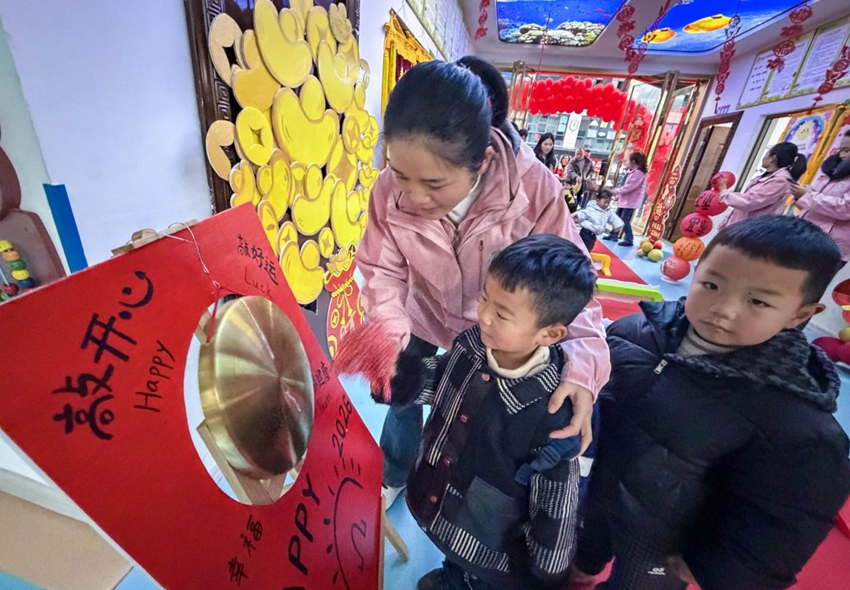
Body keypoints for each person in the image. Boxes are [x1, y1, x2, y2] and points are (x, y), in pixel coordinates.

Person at [356, 56, 610, 510]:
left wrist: (585, 369)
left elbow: (574, 284)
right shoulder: (386, 192)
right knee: (402, 393)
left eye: (434, 183)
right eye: (400, 174)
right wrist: (390, 331)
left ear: (482, 161)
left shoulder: (532, 190)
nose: (413, 196)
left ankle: (455, 499)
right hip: (422, 313)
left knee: (479, 419)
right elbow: (383, 270)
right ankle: (394, 470)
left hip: (501, 330)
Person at [572, 215, 850, 590]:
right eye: (712, 285)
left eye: (757, 301)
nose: (724, 308)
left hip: (665, 541)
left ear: (800, 315)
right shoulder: (633, 333)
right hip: (594, 495)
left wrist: (715, 566)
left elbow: (785, 515)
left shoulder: (793, 417)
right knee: (577, 560)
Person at [374, 235, 595, 590]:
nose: (484, 317)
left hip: (494, 542)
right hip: (445, 497)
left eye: (502, 314)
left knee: (482, 580)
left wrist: (545, 568)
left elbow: (557, 499)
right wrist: (402, 381)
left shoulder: (552, 414)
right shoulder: (473, 344)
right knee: (456, 561)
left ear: (550, 333)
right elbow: (446, 378)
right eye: (484, 300)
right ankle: (453, 575)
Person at [790, 129, 850, 267]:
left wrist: (807, 196)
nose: (842, 155)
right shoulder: (832, 173)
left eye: (847, 150)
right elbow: (813, 202)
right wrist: (801, 195)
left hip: (831, 245)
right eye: (841, 150)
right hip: (806, 236)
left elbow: (845, 208)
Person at [719, 141, 807, 229]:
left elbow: (750, 202)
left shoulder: (780, 181)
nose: (763, 158)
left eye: (766, 154)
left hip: (750, 231)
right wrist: (727, 222)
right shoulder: (766, 176)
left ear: (773, 158)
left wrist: (724, 192)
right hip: (737, 228)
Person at [604, 152, 647, 246]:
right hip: (626, 200)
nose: (626, 162)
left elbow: (629, 187)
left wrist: (614, 191)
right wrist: (618, 195)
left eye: (628, 160)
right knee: (617, 217)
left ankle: (629, 239)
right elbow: (625, 186)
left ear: (633, 162)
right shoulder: (631, 172)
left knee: (624, 219)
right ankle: (613, 234)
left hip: (631, 201)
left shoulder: (638, 173)